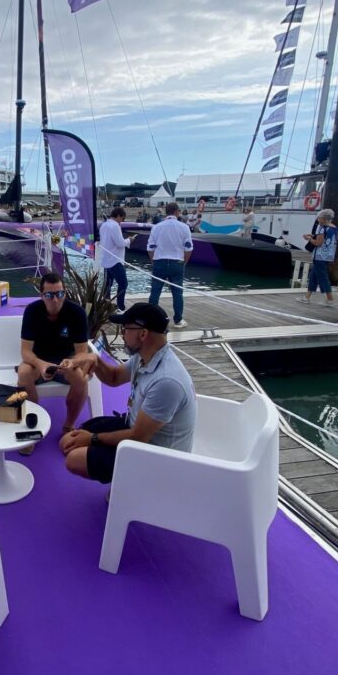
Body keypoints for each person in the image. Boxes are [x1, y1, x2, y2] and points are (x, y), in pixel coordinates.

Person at [58, 303, 195, 484]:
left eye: (125, 328)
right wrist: (95, 361)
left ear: (143, 334)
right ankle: (125, 479)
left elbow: (138, 439)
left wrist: (93, 438)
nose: (122, 333)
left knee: (74, 459)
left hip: (157, 454)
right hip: (134, 426)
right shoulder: (145, 356)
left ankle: (133, 485)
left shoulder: (166, 382)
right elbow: (114, 378)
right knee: (67, 441)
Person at [17, 272, 92, 438]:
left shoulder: (76, 313)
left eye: (60, 294)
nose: (55, 300)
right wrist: (41, 364)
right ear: (42, 295)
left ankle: (69, 425)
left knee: (81, 378)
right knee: (23, 373)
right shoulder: (32, 311)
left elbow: (81, 353)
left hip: (66, 362)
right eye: (49, 295)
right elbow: (26, 352)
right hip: (38, 362)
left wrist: (71, 363)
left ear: (65, 293)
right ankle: (32, 426)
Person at [147, 201, 194, 329]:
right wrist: (184, 262)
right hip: (176, 263)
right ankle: (178, 320)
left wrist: (153, 261)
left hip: (159, 262)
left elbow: (150, 247)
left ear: (166, 211)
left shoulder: (156, 227)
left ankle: (150, 319)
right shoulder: (184, 227)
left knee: (155, 291)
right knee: (177, 293)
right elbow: (188, 248)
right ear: (177, 212)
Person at [297, 208, 337, 307]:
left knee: (323, 278)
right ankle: (307, 297)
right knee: (313, 276)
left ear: (324, 218)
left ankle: (330, 299)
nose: (318, 219)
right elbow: (327, 239)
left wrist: (309, 238)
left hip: (319, 256)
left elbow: (318, 243)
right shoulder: (334, 228)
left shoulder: (322, 227)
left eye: (319, 218)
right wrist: (314, 235)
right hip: (328, 256)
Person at [99, 207, 133, 310]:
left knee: (107, 285)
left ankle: (106, 306)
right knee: (123, 283)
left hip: (106, 259)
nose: (121, 221)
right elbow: (120, 243)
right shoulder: (115, 226)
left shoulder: (103, 225)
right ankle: (121, 307)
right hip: (115, 260)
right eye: (122, 219)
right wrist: (129, 240)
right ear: (118, 216)